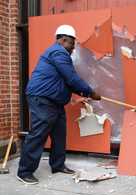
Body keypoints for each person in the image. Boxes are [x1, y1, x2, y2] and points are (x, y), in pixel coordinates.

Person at [17, 25, 101, 185]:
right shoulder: (58, 52)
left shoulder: (59, 54)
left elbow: (67, 82)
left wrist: (83, 94)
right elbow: (71, 78)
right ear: (62, 40)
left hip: (54, 101)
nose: (73, 48)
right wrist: (90, 92)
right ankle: (24, 171)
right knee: (38, 134)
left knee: (59, 133)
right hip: (42, 99)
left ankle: (57, 165)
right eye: (72, 44)